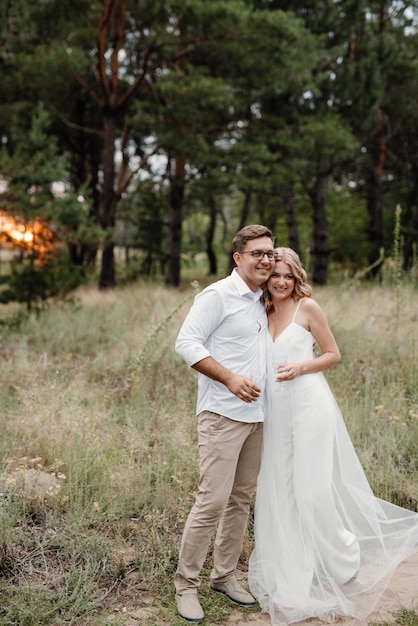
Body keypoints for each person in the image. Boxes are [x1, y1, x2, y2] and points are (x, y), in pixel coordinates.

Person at [248, 247, 418, 625]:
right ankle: (293, 570)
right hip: (275, 413)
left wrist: (302, 367)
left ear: (296, 279)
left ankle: (342, 558)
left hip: (309, 407)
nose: (279, 281)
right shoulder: (260, 309)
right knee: (280, 490)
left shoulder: (308, 307)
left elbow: (333, 354)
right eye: (274, 274)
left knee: (312, 490)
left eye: (287, 276)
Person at [174, 224, 276, 623]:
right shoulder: (218, 295)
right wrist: (230, 378)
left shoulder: (261, 298)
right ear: (238, 258)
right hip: (221, 414)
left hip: (258, 417)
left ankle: (225, 577)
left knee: (240, 501)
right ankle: (186, 585)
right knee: (211, 501)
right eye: (257, 253)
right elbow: (186, 342)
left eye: (270, 252)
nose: (265, 259)